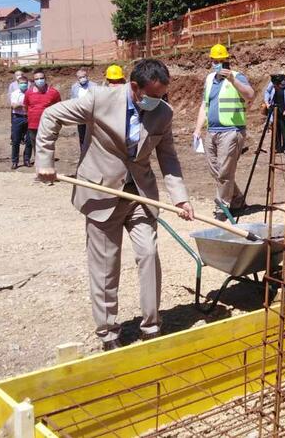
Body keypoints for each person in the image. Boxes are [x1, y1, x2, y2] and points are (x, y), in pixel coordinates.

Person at [35, 59, 194, 350]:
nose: (159, 102)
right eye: (154, 96)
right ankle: (109, 333)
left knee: (148, 255)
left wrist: (180, 197)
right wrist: (45, 161)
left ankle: (151, 326)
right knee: (106, 265)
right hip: (100, 192)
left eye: (163, 96)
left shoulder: (163, 113)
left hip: (140, 195)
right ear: (135, 88)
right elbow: (50, 115)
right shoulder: (98, 99)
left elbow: (168, 156)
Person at [193, 44, 254, 219]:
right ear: (211, 61)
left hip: (232, 131)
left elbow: (250, 95)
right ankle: (238, 199)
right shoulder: (210, 79)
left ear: (227, 60)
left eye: (221, 61)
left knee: (225, 171)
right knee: (216, 170)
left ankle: (223, 206)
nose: (218, 64)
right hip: (212, 131)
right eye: (215, 61)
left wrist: (233, 81)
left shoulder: (237, 76)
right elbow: (205, 104)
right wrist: (198, 129)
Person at [24, 70, 61, 165]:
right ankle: (39, 167)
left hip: (48, 124)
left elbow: (59, 107)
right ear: (33, 81)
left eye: (41, 78)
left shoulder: (54, 92)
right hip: (33, 124)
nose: (39, 80)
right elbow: (26, 106)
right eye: (37, 79)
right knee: (36, 146)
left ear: (45, 79)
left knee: (48, 145)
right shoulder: (28, 93)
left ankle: (48, 165)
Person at [263, 75, 285, 154]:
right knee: (275, 128)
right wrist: (267, 103)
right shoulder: (273, 83)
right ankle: (276, 147)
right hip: (274, 109)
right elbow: (267, 91)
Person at [9, 74, 31, 169]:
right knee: (16, 140)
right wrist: (25, 105)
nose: (24, 85)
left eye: (25, 83)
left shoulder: (31, 93)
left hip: (29, 117)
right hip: (17, 117)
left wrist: (20, 104)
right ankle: (15, 161)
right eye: (22, 83)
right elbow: (14, 106)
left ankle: (27, 159)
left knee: (29, 140)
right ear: (18, 84)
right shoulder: (14, 93)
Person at [71, 69, 92, 153]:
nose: (82, 78)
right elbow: (73, 100)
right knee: (82, 135)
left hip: (92, 115)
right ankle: (83, 153)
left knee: (92, 136)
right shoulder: (74, 87)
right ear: (77, 78)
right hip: (80, 115)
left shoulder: (94, 86)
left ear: (87, 76)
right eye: (80, 77)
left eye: (84, 76)